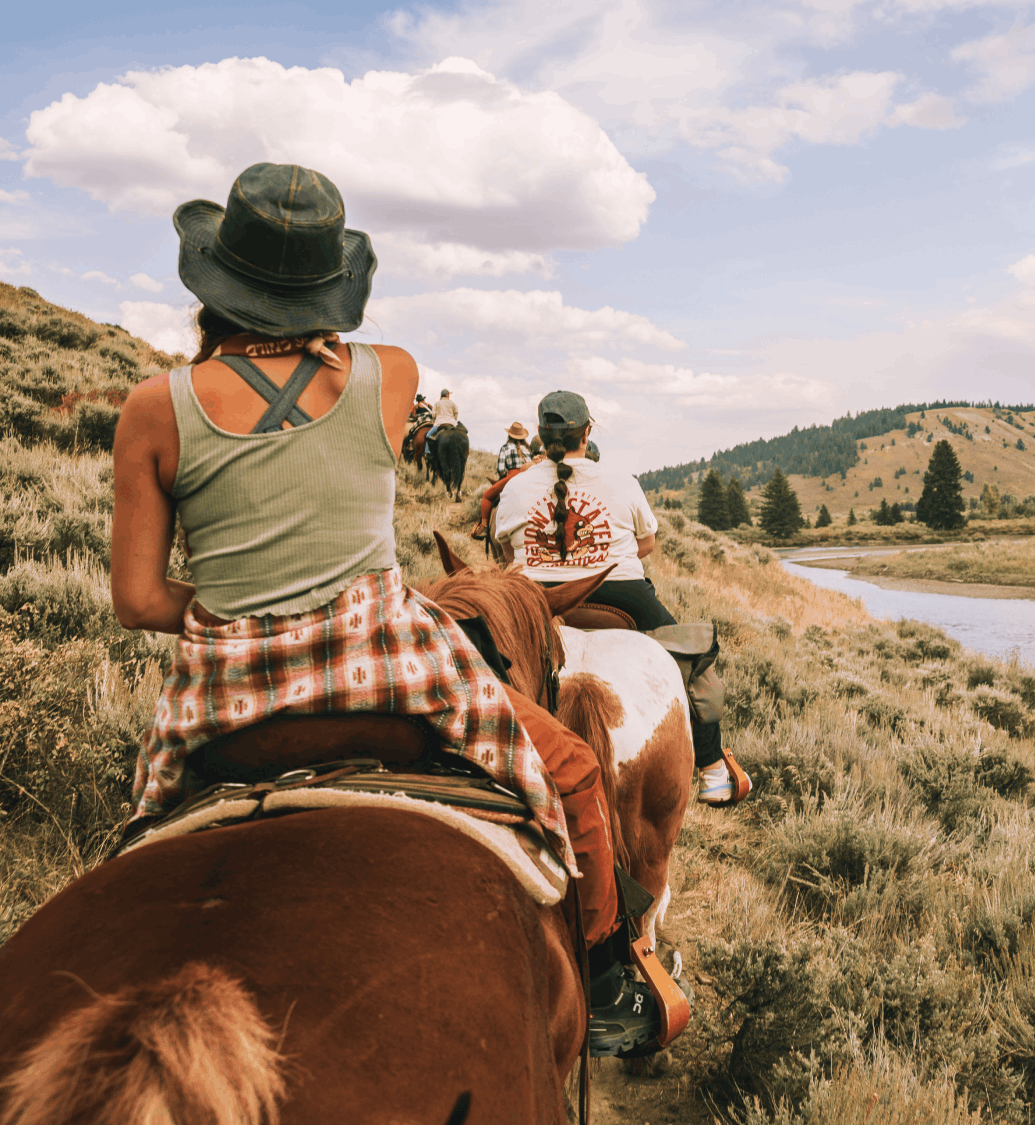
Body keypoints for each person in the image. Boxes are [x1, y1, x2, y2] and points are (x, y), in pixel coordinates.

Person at [108, 162, 669, 1057]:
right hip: (393, 666)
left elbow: (137, 599)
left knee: (135, 837)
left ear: (214, 286)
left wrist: (242, 610)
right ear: (332, 290)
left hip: (225, 693)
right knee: (568, 769)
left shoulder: (153, 407)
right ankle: (608, 977)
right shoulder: (389, 374)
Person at [494, 391, 750, 805]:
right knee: (692, 658)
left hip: (534, 597)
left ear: (540, 436)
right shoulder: (620, 481)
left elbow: (507, 554)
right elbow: (645, 543)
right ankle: (712, 769)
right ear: (587, 432)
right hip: (620, 591)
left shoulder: (516, 487)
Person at [425, 388, 459, 462]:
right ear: (447, 395)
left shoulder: (437, 403)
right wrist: (454, 419)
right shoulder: (452, 403)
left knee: (428, 435)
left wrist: (434, 420)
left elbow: (433, 415)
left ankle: (427, 452)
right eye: (449, 394)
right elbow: (456, 413)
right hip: (452, 423)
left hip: (439, 423)